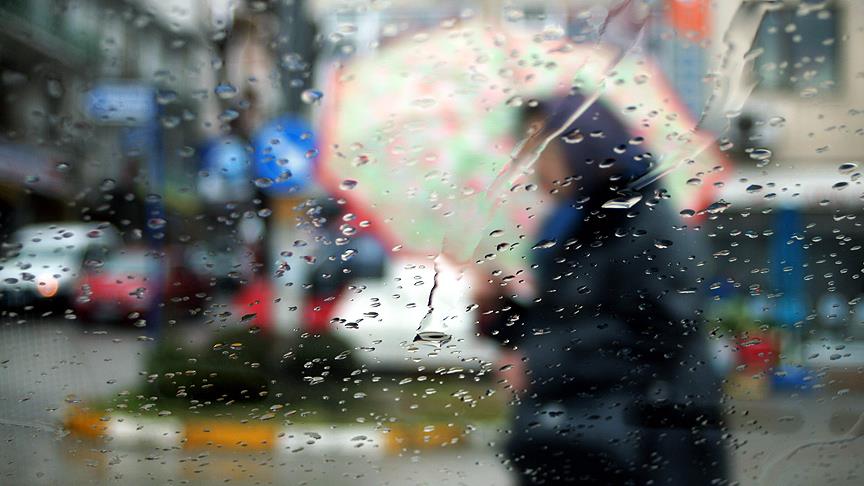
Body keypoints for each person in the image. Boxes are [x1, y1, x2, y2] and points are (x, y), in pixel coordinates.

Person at [476, 94, 728, 485]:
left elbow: (658, 333)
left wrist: (540, 364)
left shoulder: (647, 223)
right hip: (580, 442)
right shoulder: (570, 227)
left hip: (649, 448)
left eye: (542, 147)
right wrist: (502, 312)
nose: (534, 167)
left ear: (585, 143)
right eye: (527, 151)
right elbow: (564, 322)